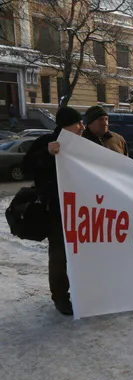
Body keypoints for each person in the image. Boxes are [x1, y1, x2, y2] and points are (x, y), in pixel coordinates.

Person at [22, 107, 86, 315]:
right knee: (59, 254)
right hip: (56, 210)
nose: (82, 127)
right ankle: (60, 296)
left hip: (82, 210)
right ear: (67, 125)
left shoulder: (84, 145)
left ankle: (83, 290)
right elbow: (26, 167)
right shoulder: (46, 143)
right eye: (78, 123)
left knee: (82, 252)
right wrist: (47, 154)